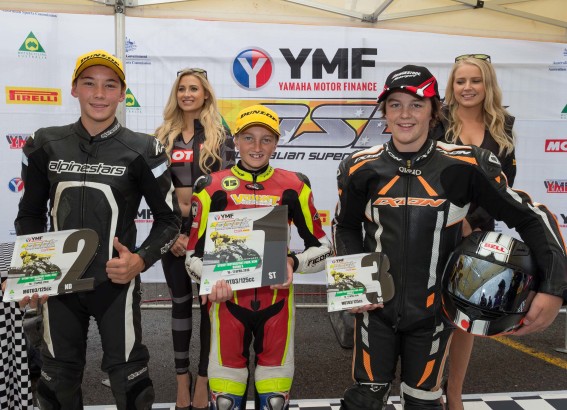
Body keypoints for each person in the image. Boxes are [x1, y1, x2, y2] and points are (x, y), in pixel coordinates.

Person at [333, 65, 567, 410]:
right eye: (395, 105)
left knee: (423, 402)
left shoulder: (467, 165)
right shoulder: (358, 166)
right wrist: (353, 285)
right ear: (384, 113)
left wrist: (553, 288)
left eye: (416, 105)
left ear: (434, 111)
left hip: (434, 315)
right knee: (364, 399)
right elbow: (346, 227)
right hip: (374, 312)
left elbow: (532, 217)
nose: (405, 114)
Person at [13, 49, 181, 409]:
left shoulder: (144, 149)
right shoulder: (45, 143)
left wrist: (140, 260)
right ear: (75, 89)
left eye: (110, 85)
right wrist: (31, 271)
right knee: (55, 387)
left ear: (122, 94)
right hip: (59, 286)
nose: (99, 94)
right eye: (89, 84)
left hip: (115, 284)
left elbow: (169, 221)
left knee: (134, 389)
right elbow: (29, 214)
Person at [184, 105, 332, 410]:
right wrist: (211, 279)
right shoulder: (211, 187)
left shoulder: (295, 185)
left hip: (277, 303)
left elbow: (323, 248)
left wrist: (293, 263)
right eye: (249, 138)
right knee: (224, 402)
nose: (257, 146)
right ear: (236, 141)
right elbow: (191, 258)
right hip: (227, 304)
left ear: (276, 143)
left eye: (266, 139)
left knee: (275, 401)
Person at [430, 53, 517, 410]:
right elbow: (425, 177)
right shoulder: (437, 121)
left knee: (465, 318)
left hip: (479, 234)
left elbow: (505, 186)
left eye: (475, 80)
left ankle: (454, 394)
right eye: (461, 81)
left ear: (487, 85)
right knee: (432, 314)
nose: (468, 87)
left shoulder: (503, 125)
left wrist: (473, 220)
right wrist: (452, 217)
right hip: (435, 228)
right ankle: (428, 389)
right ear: (451, 86)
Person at [155, 67, 235, 410]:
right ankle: (181, 380)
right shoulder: (162, 136)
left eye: (194, 89)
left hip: (209, 234)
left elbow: (227, 192)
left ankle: (204, 379)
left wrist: (199, 236)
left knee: (209, 306)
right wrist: (174, 233)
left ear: (205, 95)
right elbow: (154, 191)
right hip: (172, 231)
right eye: (182, 89)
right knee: (179, 304)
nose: (187, 94)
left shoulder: (221, 136)